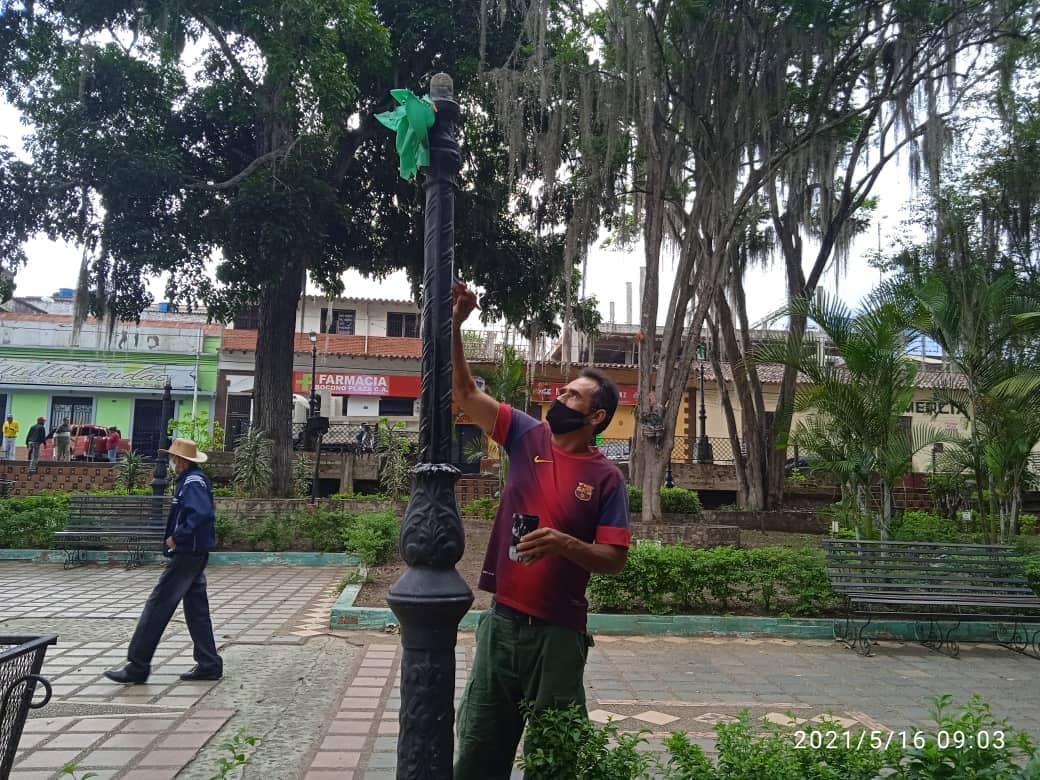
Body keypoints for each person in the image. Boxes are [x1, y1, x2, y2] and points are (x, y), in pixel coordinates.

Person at [450, 281, 631, 779]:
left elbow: (615, 560)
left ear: (595, 417)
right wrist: (455, 326)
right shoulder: (526, 435)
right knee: (479, 752)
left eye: (573, 395)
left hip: (558, 638)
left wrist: (565, 544)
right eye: (562, 389)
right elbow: (465, 392)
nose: (560, 395)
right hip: (501, 625)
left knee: (554, 761)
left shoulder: (607, 479)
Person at [104, 438, 223, 684]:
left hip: (186, 553)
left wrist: (176, 538)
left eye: (173, 459)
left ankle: (137, 665)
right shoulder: (192, 480)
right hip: (194, 553)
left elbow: (200, 514)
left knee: (158, 606)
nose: (171, 463)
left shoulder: (191, 483)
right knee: (196, 609)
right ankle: (209, 662)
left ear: (181, 461)